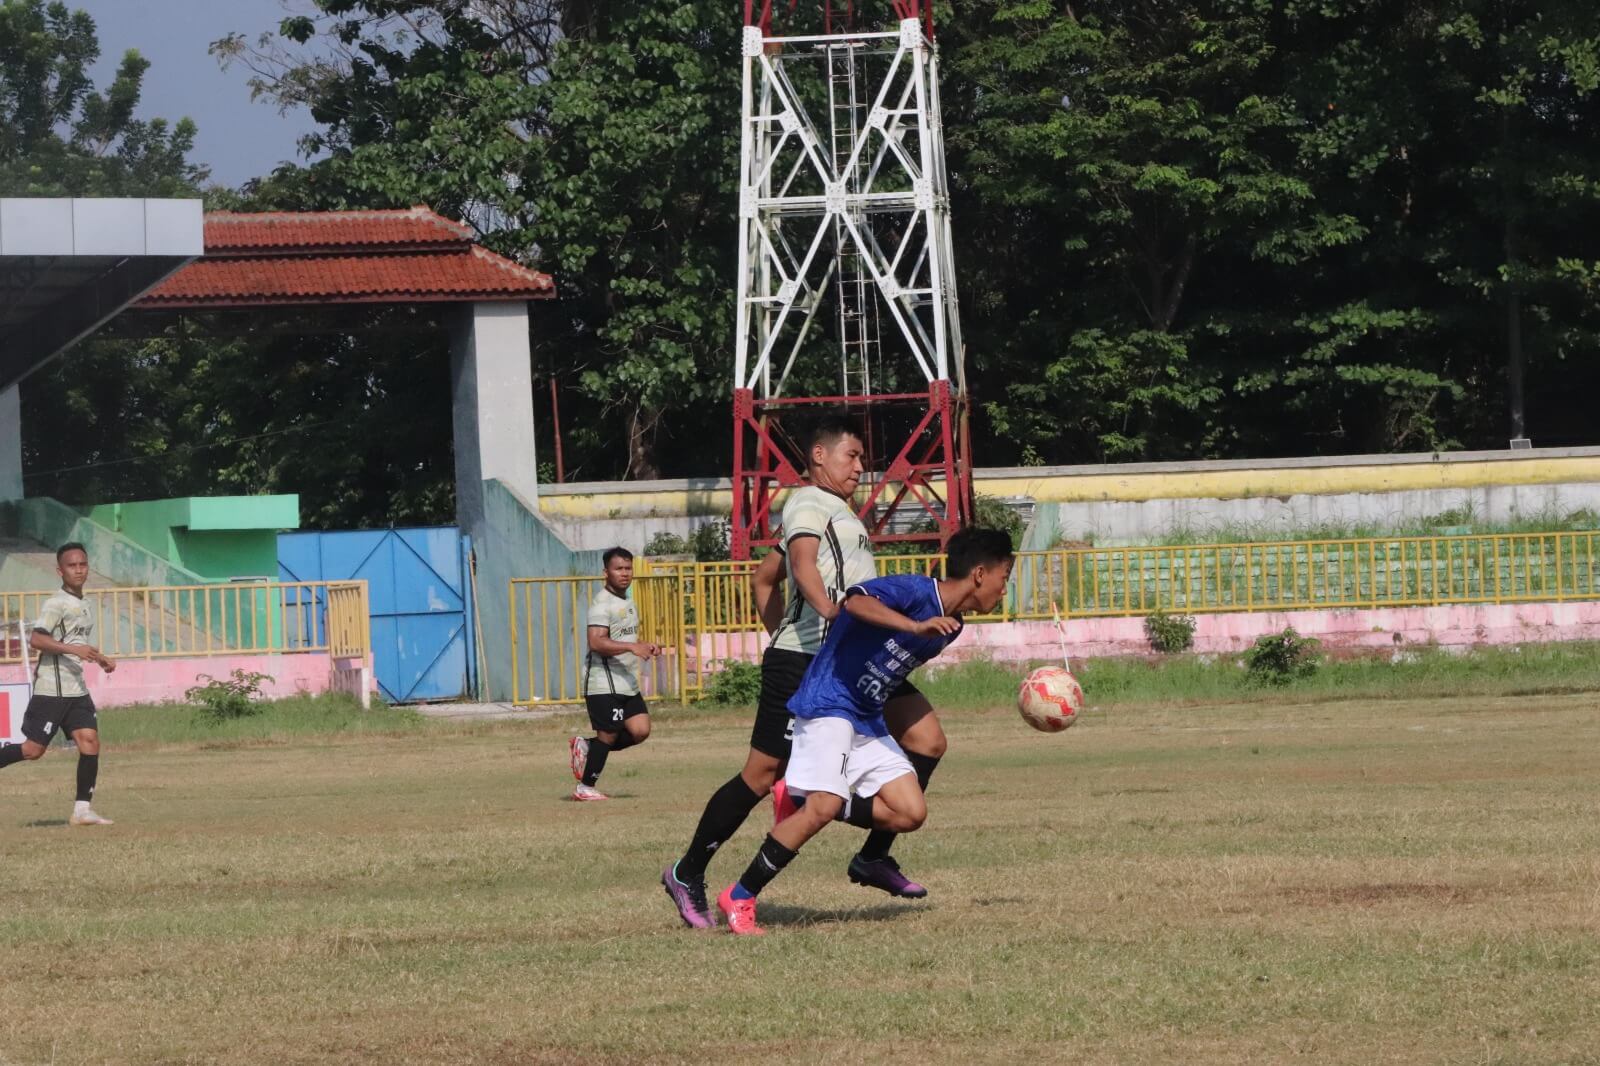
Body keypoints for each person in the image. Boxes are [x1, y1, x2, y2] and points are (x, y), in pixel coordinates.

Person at [662, 414, 953, 929]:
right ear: (819, 456)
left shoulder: (839, 513)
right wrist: (821, 614)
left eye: (863, 459)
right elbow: (800, 564)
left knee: (928, 740)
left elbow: (763, 578)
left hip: (852, 662)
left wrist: (785, 625)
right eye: (852, 456)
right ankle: (689, 871)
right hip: (809, 661)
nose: (860, 468)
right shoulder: (807, 501)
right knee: (759, 776)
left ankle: (874, 855)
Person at [717, 527, 1015, 934]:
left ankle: (803, 794)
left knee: (910, 813)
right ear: (980, 573)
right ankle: (740, 895)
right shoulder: (913, 591)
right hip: (829, 704)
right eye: (1004, 578)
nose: (1004, 590)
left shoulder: (953, 624)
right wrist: (913, 627)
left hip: (867, 718)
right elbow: (853, 604)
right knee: (820, 808)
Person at [0, 542, 117, 825]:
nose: (78, 570)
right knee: (33, 750)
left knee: (90, 742)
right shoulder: (56, 604)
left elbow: (75, 642)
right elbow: (37, 639)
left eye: (82, 564)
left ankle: (82, 811)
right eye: (71, 565)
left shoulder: (83, 603)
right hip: (52, 690)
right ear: (59, 570)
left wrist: (98, 657)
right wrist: (75, 651)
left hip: (76, 688)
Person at [569, 547, 660, 801]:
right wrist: (632, 646)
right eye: (618, 568)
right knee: (608, 734)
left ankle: (587, 745)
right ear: (605, 572)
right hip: (603, 682)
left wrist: (643, 644)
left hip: (626, 681)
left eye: (628, 568)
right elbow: (596, 642)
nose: (624, 573)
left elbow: (623, 637)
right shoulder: (602, 604)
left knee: (640, 730)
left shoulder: (626, 600)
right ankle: (585, 787)